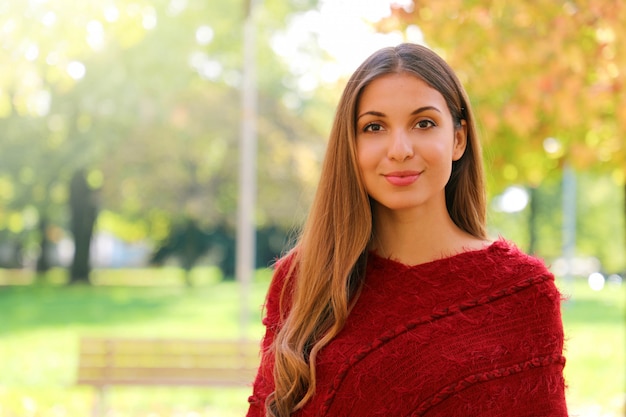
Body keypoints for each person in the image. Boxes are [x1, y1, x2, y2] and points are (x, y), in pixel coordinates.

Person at [246, 43, 568, 417]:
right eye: (374, 127)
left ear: (458, 139)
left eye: (424, 123)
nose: (399, 149)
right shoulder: (303, 278)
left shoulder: (522, 293)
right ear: (350, 145)